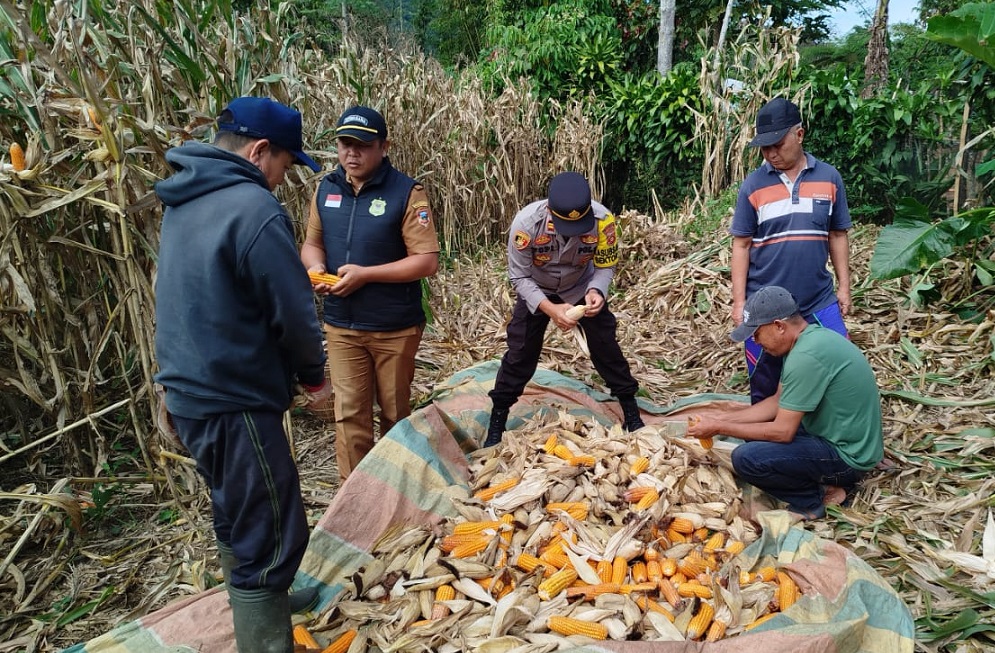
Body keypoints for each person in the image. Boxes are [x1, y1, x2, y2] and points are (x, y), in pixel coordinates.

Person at [154, 96, 330, 653]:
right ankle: (266, 632)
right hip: (232, 394)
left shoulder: (185, 196)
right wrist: (312, 374)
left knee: (234, 503)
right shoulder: (252, 207)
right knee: (273, 525)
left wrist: (169, 382)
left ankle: (264, 596)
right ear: (260, 151)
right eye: (284, 164)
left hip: (188, 389)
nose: (283, 178)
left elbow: (175, 293)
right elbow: (293, 306)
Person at [300, 106, 439, 480]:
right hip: (342, 326)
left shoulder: (407, 193)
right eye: (345, 144)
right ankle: (355, 495)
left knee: (394, 414)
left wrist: (366, 275)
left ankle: (396, 488)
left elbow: (426, 261)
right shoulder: (326, 189)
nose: (352, 153)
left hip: (393, 327)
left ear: (383, 147)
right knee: (350, 415)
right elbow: (311, 244)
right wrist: (314, 268)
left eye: (362, 145)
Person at [687, 286, 883, 520]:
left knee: (747, 458)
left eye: (756, 333)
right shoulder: (810, 340)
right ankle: (826, 483)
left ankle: (809, 502)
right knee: (754, 434)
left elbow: (782, 432)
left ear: (779, 326)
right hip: (845, 439)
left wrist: (719, 428)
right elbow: (776, 402)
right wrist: (719, 420)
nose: (755, 341)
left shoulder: (805, 358)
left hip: (849, 457)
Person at [484, 171, 645, 448]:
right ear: (549, 210)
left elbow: (605, 265)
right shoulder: (526, 225)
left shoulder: (603, 220)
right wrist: (550, 309)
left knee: (605, 344)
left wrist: (596, 291)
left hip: (580, 284)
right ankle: (498, 416)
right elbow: (519, 277)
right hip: (538, 288)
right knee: (520, 352)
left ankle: (630, 408)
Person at [731, 97, 853, 404]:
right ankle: (764, 447)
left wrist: (845, 287)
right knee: (764, 381)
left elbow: (838, 235)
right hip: (764, 307)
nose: (771, 154)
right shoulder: (753, 187)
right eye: (764, 147)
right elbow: (742, 244)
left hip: (818, 300)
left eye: (778, 144)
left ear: (799, 135)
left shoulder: (829, 179)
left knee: (840, 367)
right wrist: (739, 301)